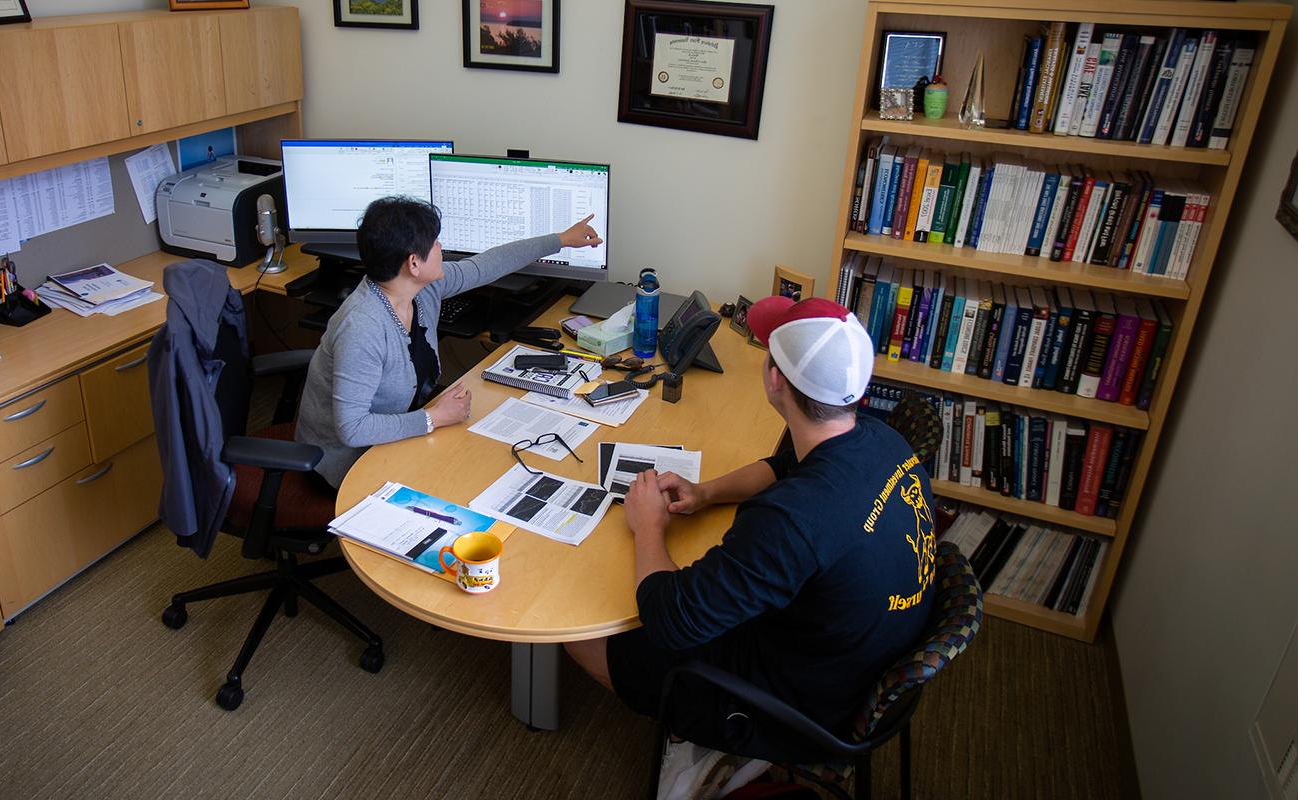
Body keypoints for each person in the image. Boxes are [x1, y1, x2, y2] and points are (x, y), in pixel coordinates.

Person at [563, 295, 938, 762]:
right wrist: (706, 493)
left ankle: (702, 737)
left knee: (571, 623)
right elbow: (785, 466)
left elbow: (668, 618)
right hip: (853, 657)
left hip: (801, 709)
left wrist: (648, 528)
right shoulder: (882, 440)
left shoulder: (793, 520)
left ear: (775, 379)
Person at [296, 196, 600, 491]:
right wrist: (433, 418)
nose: (441, 248)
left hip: (402, 434)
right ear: (413, 263)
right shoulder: (363, 328)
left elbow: (488, 265)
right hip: (346, 466)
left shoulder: (421, 288)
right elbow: (353, 429)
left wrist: (561, 239)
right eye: (435, 244)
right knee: (472, 480)